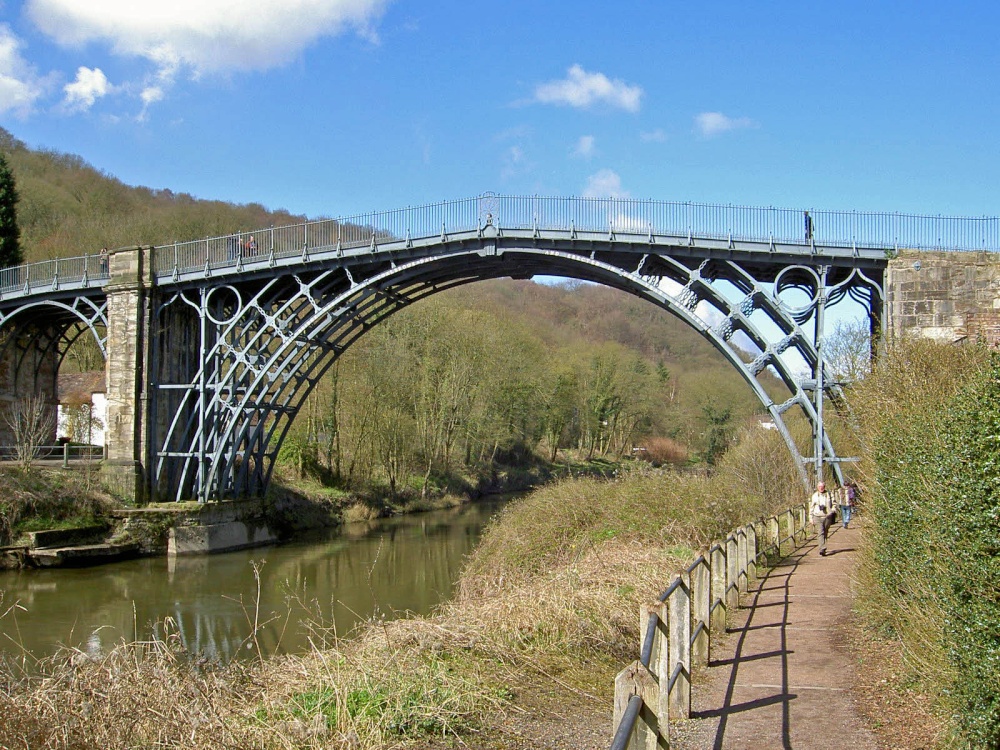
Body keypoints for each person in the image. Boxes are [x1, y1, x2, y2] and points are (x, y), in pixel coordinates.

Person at [809, 480, 833, 556]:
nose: (821, 488)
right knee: (820, 532)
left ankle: (823, 547)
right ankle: (822, 548)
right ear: (817, 487)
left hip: (827, 517)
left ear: (824, 487)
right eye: (819, 487)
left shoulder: (829, 494)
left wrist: (832, 511)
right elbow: (811, 507)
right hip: (817, 516)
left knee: (825, 532)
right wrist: (810, 517)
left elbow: (835, 504)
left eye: (822, 487)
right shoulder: (814, 496)